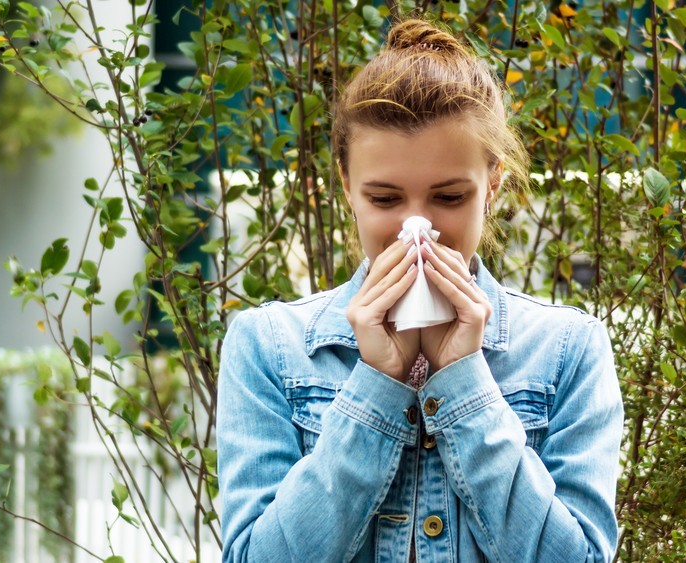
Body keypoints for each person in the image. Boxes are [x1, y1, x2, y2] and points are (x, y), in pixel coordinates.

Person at [218, 18, 623, 563]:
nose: (418, 230)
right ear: (346, 187)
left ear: (492, 186)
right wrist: (377, 386)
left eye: (449, 197)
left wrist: (463, 384)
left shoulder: (567, 349)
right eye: (385, 199)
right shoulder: (269, 346)